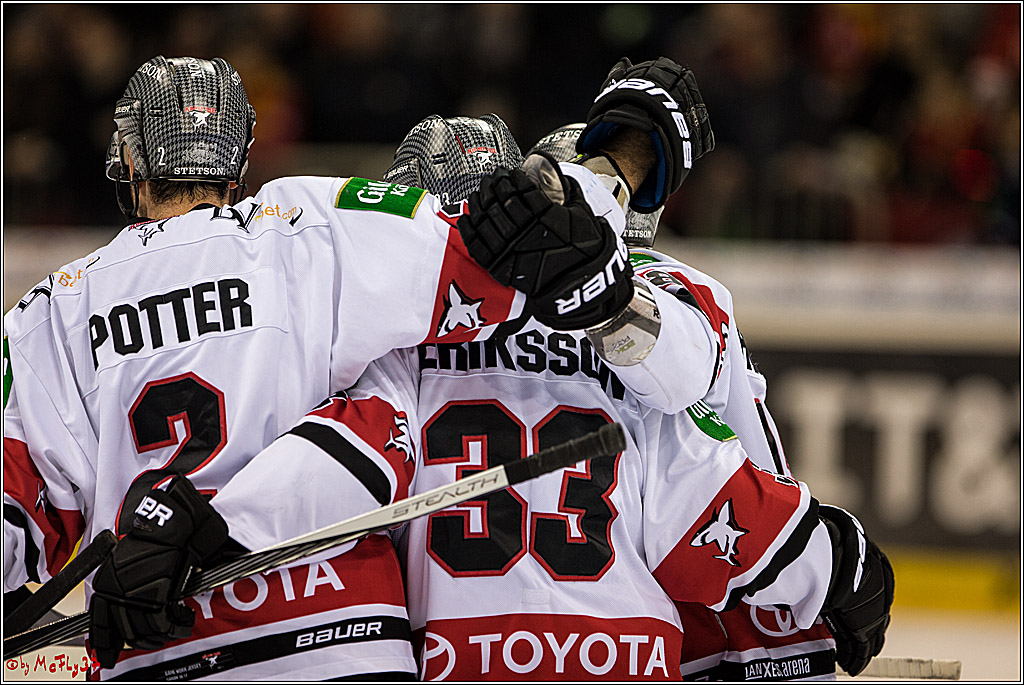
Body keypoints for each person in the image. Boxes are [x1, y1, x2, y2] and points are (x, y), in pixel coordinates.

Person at [2, 54, 669, 680]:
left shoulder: (51, 309)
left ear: (130, 155)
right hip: (341, 636)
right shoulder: (309, 221)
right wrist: (609, 172)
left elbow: (20, 509)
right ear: (238, 154)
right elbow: (512, 248)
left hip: (162, 648)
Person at [528, 122, 840, 679]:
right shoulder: (684, 291)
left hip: (483, 624)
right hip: (653, 631)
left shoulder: (482, 314)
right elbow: (757, 467)